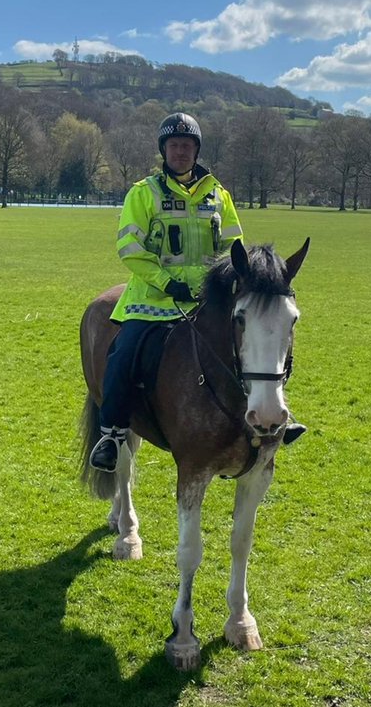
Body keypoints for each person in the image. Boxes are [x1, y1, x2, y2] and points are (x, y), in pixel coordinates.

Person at [89, 111, 304, 472]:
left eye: (187, 146)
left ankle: (276, 414)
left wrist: (233, 281)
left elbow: (235, 247)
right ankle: (111, 433)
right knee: (123, 355)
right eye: (174, 146)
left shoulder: (218, 194)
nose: (180, 152)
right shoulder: (143, 193)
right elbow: (130, 249)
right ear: (164, 151)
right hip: (153, 298)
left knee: (255, 342)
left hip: (208, 297)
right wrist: (165, 281)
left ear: (196, 150)